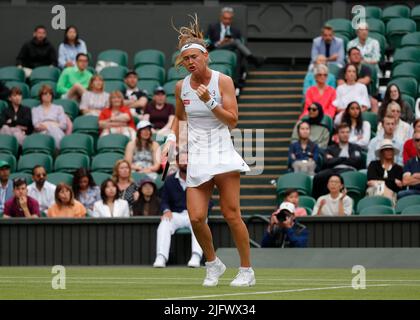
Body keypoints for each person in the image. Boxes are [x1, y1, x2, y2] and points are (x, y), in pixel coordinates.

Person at [164, 15, 255, 286]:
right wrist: (171, 140)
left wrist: (210, 100)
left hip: (223, 154)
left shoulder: (223, 81)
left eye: (194, 57)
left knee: (231, 214)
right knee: (196, 216)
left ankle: (247, 270)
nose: (190, 62)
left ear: (206, 56)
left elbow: (232, 120)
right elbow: (180, 119)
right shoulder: (181, 87)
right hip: (198, 155)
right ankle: (213, 263)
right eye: (186, 59)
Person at [152, 152, 204, 268]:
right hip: (176, 215)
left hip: (195, 214)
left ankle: (196, 256)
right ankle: (161, 257)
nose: (185, 163)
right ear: (176, 163)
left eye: (188, 160)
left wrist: (200, 212)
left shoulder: (200, 179)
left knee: (200, 222)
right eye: (182, 160)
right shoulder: (170, 180)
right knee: (165, 222)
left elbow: (208, 201)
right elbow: (164, 200)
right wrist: (166, 210)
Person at [206, 7, 264, 90]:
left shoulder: (235, 30)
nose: (227, 21)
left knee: (238, 51)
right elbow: (207, 41)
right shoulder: (213, 27)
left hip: (231, 50)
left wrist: (231, 41)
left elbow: (241, 43)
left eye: (229, 19)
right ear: (221, 18)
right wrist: (221, 42)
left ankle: (236, 81)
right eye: (225, 18)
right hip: (216, 48)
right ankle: (252, 59)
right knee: (236, 42)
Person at [312, 123, 363, 199]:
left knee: (335, 178)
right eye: (342, 132)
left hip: (349, 169)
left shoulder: (355, 147)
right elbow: (327, 162)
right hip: (333, 170)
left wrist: (335, 159)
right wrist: (344, 158)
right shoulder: (330, 148)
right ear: (337, 134)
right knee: (318, 176)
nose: (345, 134)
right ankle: (317, 200)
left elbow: (356, 161)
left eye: (347, 132)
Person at [337, 47, 378, 112]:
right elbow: (340, 83)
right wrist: (353, 83)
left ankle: (374, 121)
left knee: (374, 102)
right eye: (354, 54)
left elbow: (366, 80)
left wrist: (351, 81)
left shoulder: (366, 68)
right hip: (346, 94)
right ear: (349, 57)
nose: (356, 56)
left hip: (363, 94)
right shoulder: (343, 69)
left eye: (358, 54)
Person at [367, 139, 403, 204]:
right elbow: (371, 179)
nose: (389, 152)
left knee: (383, 189)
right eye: (386, 150)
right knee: (377, 188)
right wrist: (393, 180)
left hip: (391, 193)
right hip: (374, 190)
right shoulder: (373, 164)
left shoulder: (398, 168)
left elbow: (397, 186)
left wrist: (378, 181)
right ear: (381, 152)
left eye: (391, 150)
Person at [398, 131, 420, 199]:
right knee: (401, 194)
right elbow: (405, 181)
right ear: (413, 143)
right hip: (415, 191)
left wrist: (415, 176)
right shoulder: (409, 162)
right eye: (417, 140)